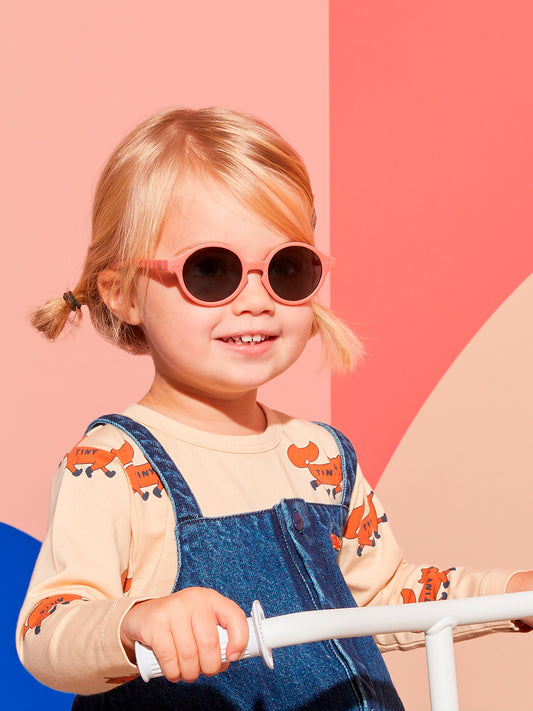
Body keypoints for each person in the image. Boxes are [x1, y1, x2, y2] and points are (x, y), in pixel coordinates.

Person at [17, 107, 532, 711]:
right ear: (125, 292)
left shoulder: (321, 456)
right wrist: (136, 622)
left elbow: (381, 593)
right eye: (211, 271)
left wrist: (512, 594)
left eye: (286, 269)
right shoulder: (113, 463)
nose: (256, 302)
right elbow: (48, 628)